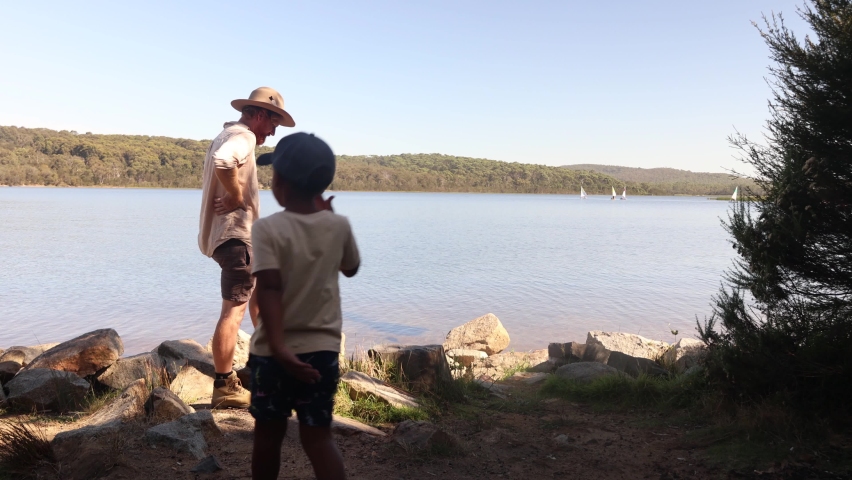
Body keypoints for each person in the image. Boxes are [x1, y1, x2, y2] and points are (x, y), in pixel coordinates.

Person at [248, 132, 359, 480]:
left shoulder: (267, 229)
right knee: (318, 439)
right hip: (322, 354)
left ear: (278, 181)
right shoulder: (338, 224)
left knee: (267, 437)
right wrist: (329, 217)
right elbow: (351, 268)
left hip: (272, 354)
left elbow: (268, 288)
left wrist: (280, 348)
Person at [198, 87, 296, 409]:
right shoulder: (244, 137)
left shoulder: (227, 134)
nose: (272, 132)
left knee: (260, 300)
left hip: (231, 239)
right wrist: (237, 196)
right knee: (234, 312)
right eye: (272, 124)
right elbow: (224, 162)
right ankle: (225, 385)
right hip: (235, 239)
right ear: (258, 115)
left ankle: (258, 369)